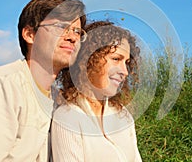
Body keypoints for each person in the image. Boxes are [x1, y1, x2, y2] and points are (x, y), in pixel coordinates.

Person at [0, 0, 86, 161]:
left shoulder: (60, 101)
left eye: (77, 31)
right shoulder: (2, 84)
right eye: (61, 26)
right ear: (29, 35)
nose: (72, 37)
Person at [51, 21, 142, 162]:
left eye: (127, 63)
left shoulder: (123, 115)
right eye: (116, 59)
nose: (125, 71)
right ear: (88, 59)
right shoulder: (68, 117)